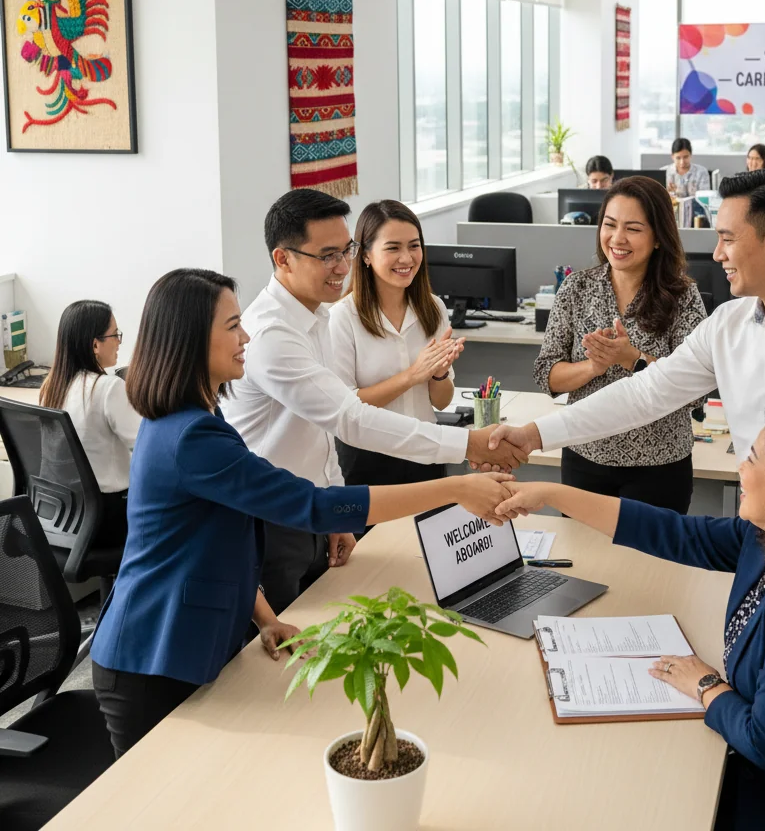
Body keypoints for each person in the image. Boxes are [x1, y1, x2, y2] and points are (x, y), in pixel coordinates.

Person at [488, 169, 765, 662]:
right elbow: (644, 394)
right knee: (762, 683)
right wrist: (535, 434)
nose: (717, 253)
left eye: (728, 238)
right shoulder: (728, 326)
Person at [90, 268, 515, 759]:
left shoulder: (198, 419)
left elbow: (210, 542)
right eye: (232, 326)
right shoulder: (191, 438)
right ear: (189, 340)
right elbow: (312, 505)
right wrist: (455, 487)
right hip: (150, 657)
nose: (246, 337)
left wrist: (265, 619)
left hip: (182, 644)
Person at [495, 407, 765, 831]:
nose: (739, 467)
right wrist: (553, 494)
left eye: (752, 458)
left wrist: (705, 684)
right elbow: (674, 532)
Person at [221, 189, 524, 615]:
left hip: (312, 508)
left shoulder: (314, 317)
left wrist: (334, 511)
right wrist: (469, 444)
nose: (342, 266)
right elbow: (350, 418)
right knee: (284, 646)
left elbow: (322, 433)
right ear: (283, 259)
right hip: (273, 519)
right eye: (327, 256)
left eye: (344, 250)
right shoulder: (273, 334)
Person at [533, 176, 706, 513]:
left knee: (649, 551)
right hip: (584, 456)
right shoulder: (576, 288)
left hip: (659, 465)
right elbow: (546, 374)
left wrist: (634, 359)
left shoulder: (683, 296)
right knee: (579, 549)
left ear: (659, 237)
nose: (617, 238)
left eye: (633, 228)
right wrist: (593, 366)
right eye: (610, 225)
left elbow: (696, 390)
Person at [331, 200, 462, 486]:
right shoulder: (342, 317)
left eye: (414, 246)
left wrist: (438, 373)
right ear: (366, 255)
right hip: (367, 458)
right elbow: (343, 408)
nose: (406, 258)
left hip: (425, 450)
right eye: (393, 248)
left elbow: (442, 402)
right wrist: (412, 375)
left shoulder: (433, 308)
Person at [39, 300, 140, 547]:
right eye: (115, 335)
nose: (119, 342)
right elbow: (146, 446)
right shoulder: (108, 388)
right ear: (95, 344)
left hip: (60, 518)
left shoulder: (51, 386)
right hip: (106, 520)